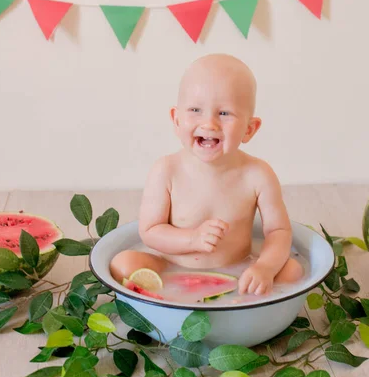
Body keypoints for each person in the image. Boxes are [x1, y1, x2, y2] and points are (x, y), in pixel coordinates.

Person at [110, 54, 303, 296]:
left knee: (293, 271)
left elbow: (278, 232)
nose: (209, 123)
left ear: (249, 129)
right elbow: (149, 231)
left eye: (224, 113)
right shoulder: (166, 170)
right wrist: (191, 239)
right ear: (176, 119)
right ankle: (168, 297)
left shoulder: (258, 175)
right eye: (195, 110)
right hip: (171, 266)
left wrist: (264, 267)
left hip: (241, 270)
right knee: (122, 264)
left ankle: (245, 299)